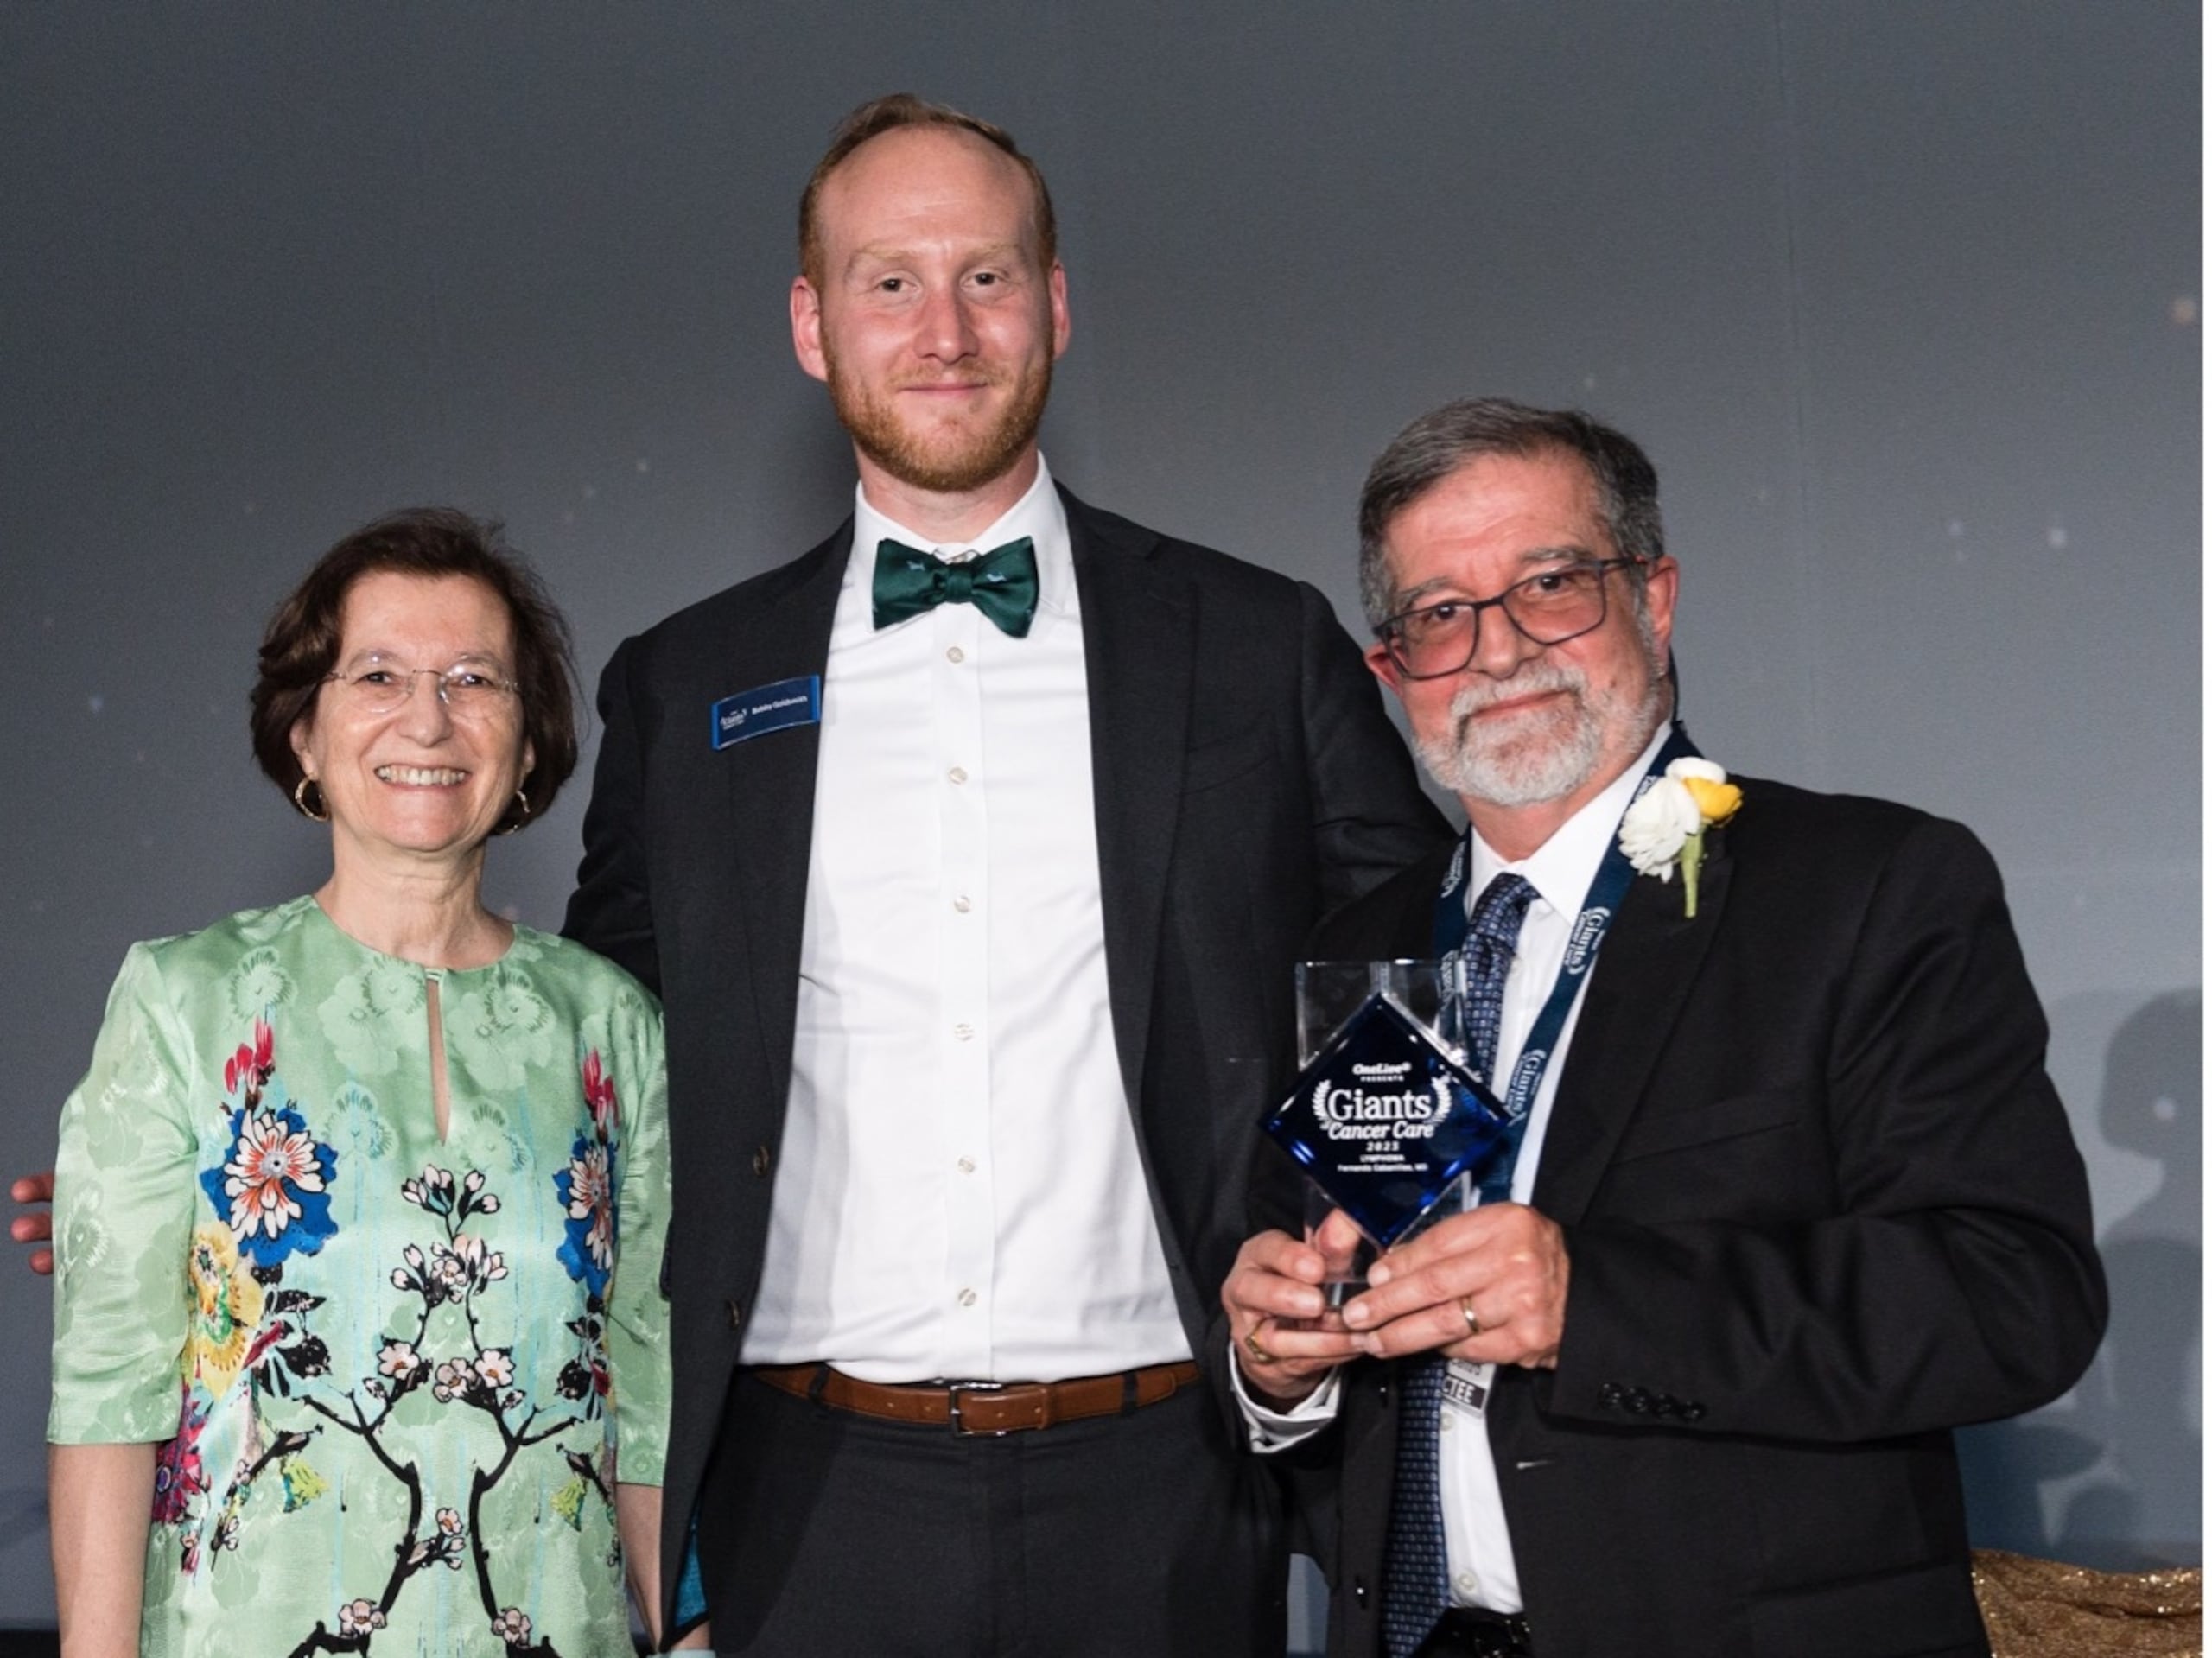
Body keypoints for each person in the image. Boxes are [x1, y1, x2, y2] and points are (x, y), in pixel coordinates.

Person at [558, 95, 1446, 1655]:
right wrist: (244, 1169)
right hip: (802, 1500)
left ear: (1055, 305)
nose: (944, 328)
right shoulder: (685, 685)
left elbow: (1415, 985)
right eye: (888, 280)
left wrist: (1326, 1274)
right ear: (811, 325)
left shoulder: (1254, 645)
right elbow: (583, 1051)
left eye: (987, 275)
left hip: (1179, 1481)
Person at [1219, 399, 2107, 1658]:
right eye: (1439, 612)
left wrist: (1598, 1301)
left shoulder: (1863, 889)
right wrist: (1280, 1372)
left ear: (1657, 597)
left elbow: (2013, 1297)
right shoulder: (1361, 949)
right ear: (1391, 669)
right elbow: (1322, 1312)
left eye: (1550, 583)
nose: (1498, 648)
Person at [47, 510, 677, 1657]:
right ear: (304, 732)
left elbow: (647, 1393)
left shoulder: (612, 1027)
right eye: (378, 674)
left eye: (474, 679)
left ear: (528, 742)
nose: (427, 718)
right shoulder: (182, 1005)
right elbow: (108, 1396)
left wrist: (686, 1638)